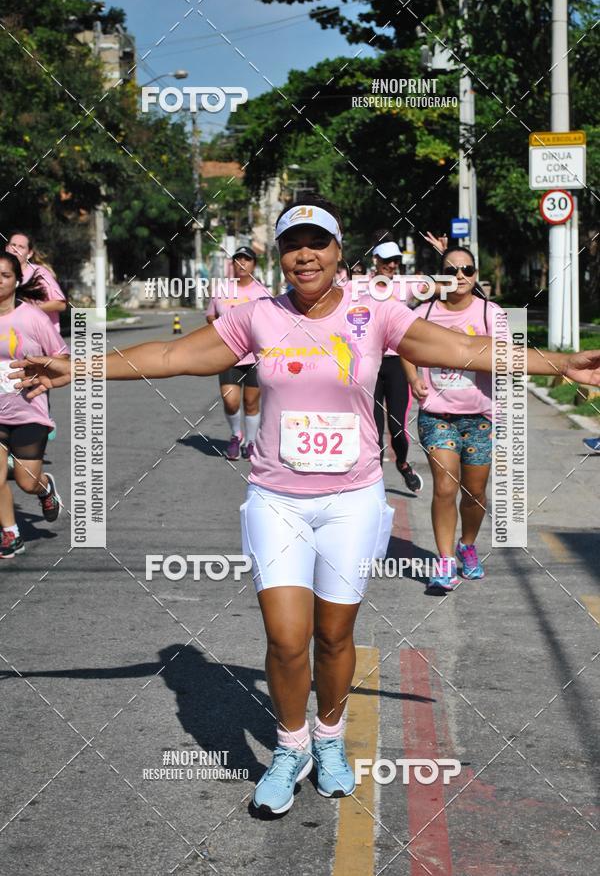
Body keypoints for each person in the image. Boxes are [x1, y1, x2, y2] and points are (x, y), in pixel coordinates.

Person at [11, 195, 600, 816]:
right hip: (277, 500)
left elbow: (463, 350)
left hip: (351, 499)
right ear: (281, 257)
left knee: (334, 632)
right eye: (294, 245)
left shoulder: (376, 313)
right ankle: (290, 748)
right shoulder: (258, 317)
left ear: (338, 253)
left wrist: (560, 363)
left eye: (317, 243)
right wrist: (75, 367)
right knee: (288, 639)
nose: (305, 255)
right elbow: (171, 356)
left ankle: (330, 737)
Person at [401, 246, 502, 591]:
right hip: (436, 414)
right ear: (439, 276)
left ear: (475, 276)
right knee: (445, 487)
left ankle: (467, 546)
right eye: (451, 270)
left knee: (474, 493)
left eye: (467, 270)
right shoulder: (424, 313)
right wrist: (414, 377)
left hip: (480, 417)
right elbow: (405, 346)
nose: (460, 276)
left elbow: (510, 356)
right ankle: (444, 562)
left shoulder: (491, 313)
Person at [0, 252, 66, 557]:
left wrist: (40, 370)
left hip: (28, 410)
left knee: (27, 482)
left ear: (16, 282)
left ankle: (45, 489)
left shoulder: (32, 318)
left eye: (5, 276)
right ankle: (11, 534)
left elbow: (62, 358)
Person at [370, 233, 423, 492]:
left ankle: (402, 463)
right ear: (376, 259)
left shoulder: (406, 286)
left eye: (396, 261)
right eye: (387, 260)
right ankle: (374, 484)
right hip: (370, 364)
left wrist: (443, 255)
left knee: (397, 429)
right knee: (373, 429)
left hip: (397, 364)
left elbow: (447, 286)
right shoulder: (359, 287)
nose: (392, 266)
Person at [205, 246, 266, 460]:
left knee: (251, 402)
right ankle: (235, 435)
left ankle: (250, 441)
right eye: (238, 260)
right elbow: (210, 316)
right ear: (233, 265)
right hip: (228, 354)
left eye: (247, 260)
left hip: (255, 356)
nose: (242, 264)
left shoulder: (263, 293)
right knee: (230, 400)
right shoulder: (222, 289)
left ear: (253, 264)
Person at [6, 232, 67, 330]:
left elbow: (61, 304)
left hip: (41, 337)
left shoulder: (39, 274)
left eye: (21, 247)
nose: (15, 249)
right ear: (6, 248)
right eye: (13, 245)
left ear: (29, 254)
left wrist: (31, 309)